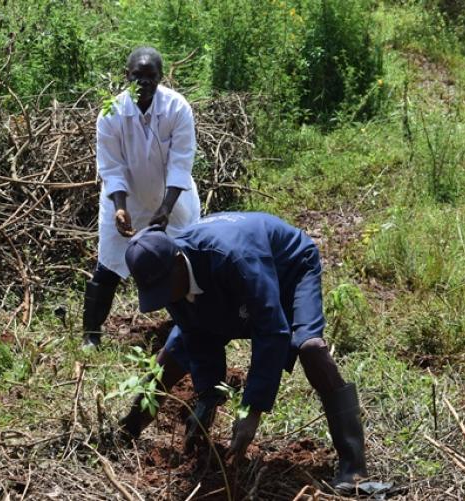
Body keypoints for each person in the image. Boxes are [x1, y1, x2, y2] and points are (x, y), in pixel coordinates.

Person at [118, 212, 391, 495]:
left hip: (289, 270)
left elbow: (271, 330)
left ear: (177, 261)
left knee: (310, 348)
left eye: (165, 288)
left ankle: (354, 467)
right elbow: (195, 336)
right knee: (176, 347)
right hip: (228, 282)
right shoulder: (170, 278)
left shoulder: (233, 258)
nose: (165, 297)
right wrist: (208, 398)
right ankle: (129, 428)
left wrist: (252, 410)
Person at [83, 47, 201, 347]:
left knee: (184, 263)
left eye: (151, 77)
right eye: (138, 76)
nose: (144, 83)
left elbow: (181, 163)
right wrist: (120, 209)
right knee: (109, 263)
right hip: (126, 201)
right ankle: (91, 336)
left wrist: (165, 208)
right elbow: (111, 167)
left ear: (161, 78)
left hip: (172, 203)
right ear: (127, 76)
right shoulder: (110, 114)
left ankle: (192, 330)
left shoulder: (177, 108)